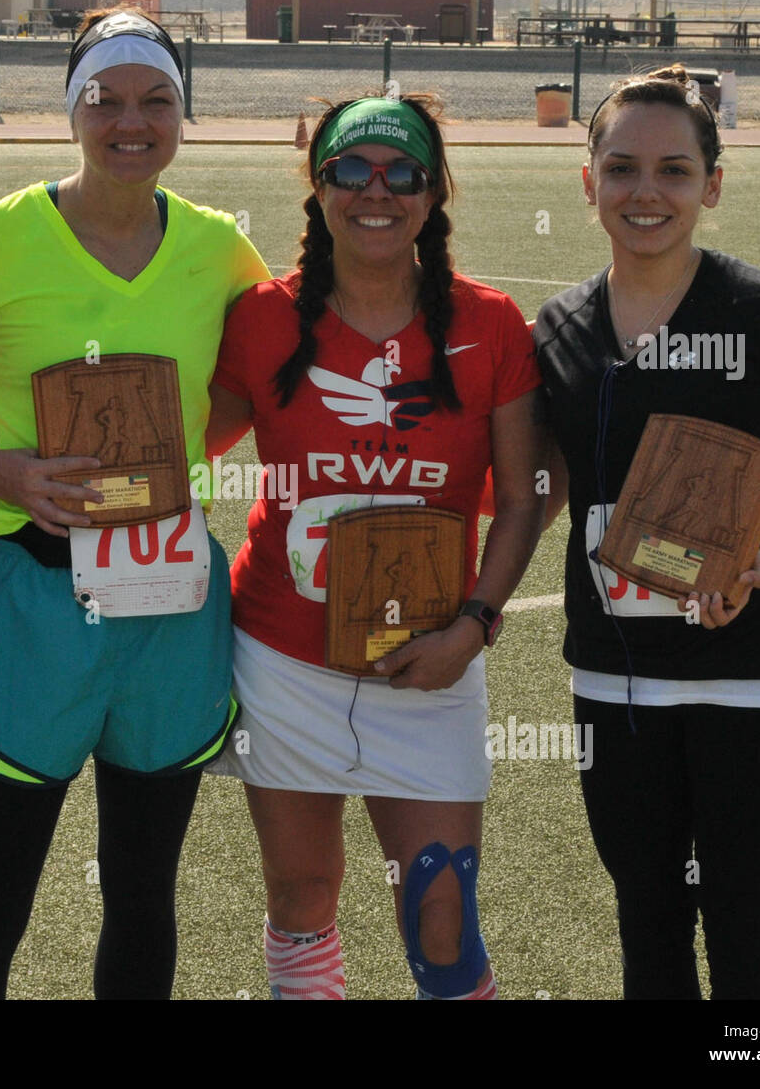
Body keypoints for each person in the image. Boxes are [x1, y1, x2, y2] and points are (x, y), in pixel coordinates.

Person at [0, 8, 270, 1000]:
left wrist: (163, 467)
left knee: (145, 897)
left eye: (155, 100)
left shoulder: (221, 251)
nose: (130, 122)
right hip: (32, 595)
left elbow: (234, 403)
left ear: (181, 115)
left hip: (169, 606)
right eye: (105, 100)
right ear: (73, 110)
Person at [534, 64, 760, 999]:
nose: (646, 192)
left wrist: (754, 548)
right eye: (622, 167)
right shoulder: (559, 326)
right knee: (646, 919)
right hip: (617, 675)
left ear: (712, 185)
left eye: (675, 170)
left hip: (754, 674)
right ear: (589, 179)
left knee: (737, 919)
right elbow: (540, 487)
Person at [207, 95, 548, 999]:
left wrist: (475, 626)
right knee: (302, 894)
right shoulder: (261, 318)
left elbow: (522, 497)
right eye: (351, 170)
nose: (377, 192)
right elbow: (179, 442)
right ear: (316, 187)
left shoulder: (491, 323)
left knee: (441, 911)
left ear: (436, 193)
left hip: (430, 660)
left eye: (405, 174)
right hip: (284, 656)